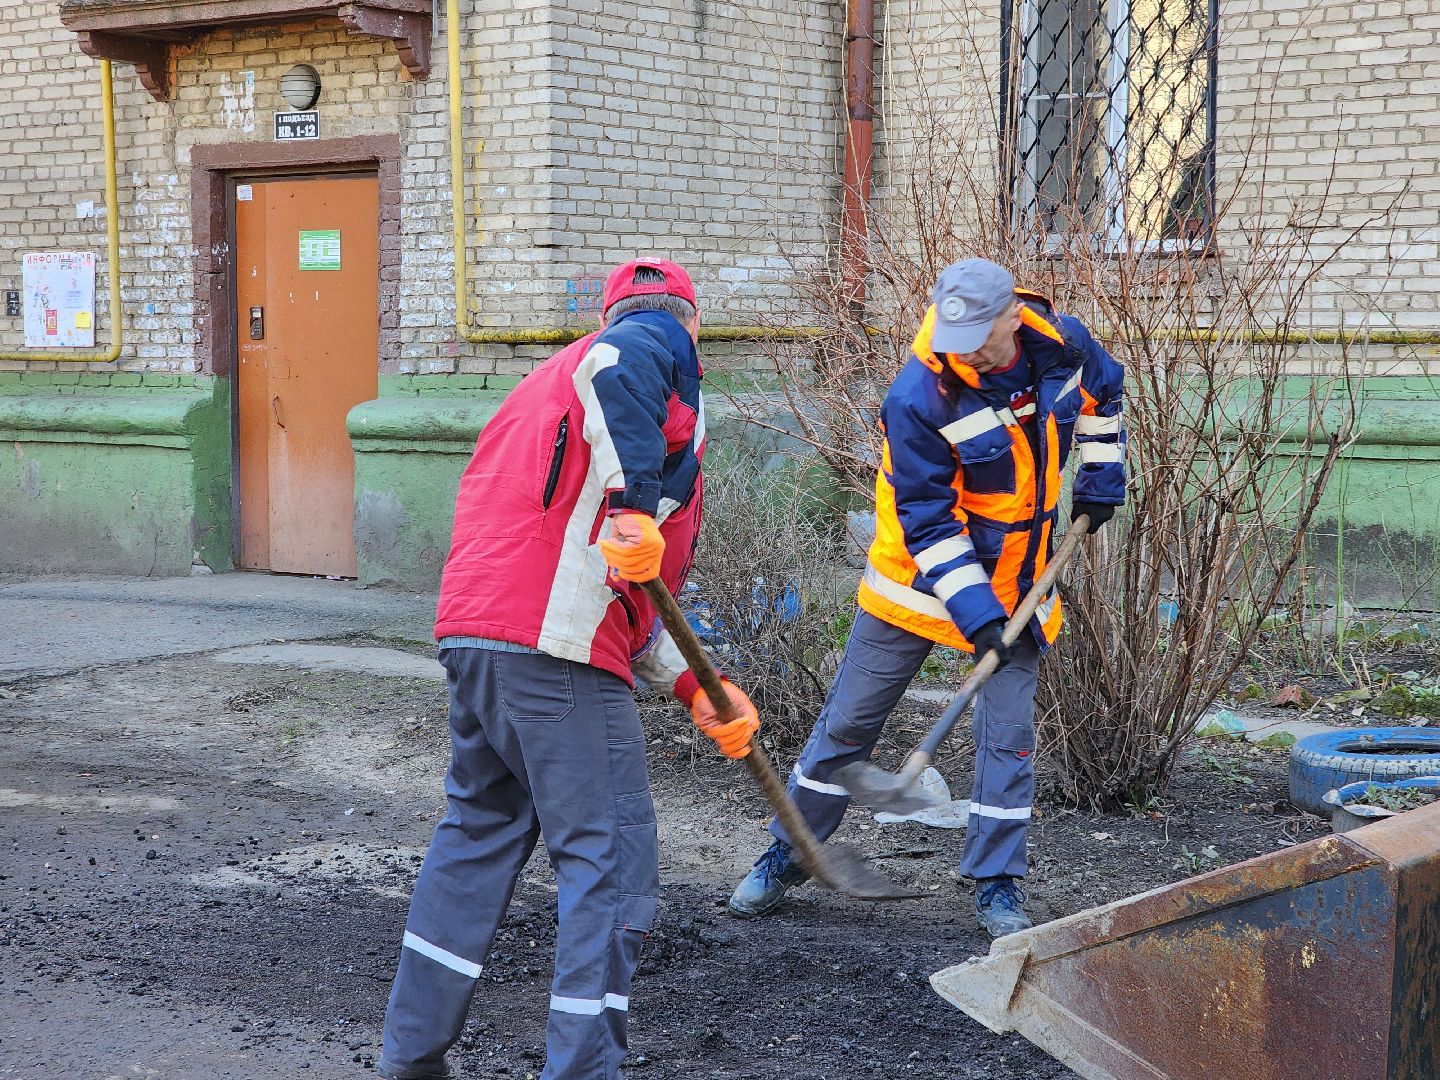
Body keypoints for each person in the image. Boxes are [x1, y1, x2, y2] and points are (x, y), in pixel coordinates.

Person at [379, 259, 760, 1080]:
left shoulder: (537, 391)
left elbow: (617, 582)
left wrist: (698, 683)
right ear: (691, 328)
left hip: (478, 638)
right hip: (554, 652)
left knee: (477, 836)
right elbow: (624, 364)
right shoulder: (641, 346)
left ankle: (409, 1057)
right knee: (611, 858)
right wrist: (632, 504)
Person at [727, 258, 1125, 937]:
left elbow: (1104, 395)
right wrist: (978, 617)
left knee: (1010, 741)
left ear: (1012, 316)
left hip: (1020, 580)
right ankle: (790, 852)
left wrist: (1102, 476)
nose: (962, 346)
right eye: (952, 330)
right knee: (847, 726)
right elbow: (933, 525)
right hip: (917, 584)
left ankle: (997, 883)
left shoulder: (1061, 343)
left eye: (979, 330)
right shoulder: (919, 396)